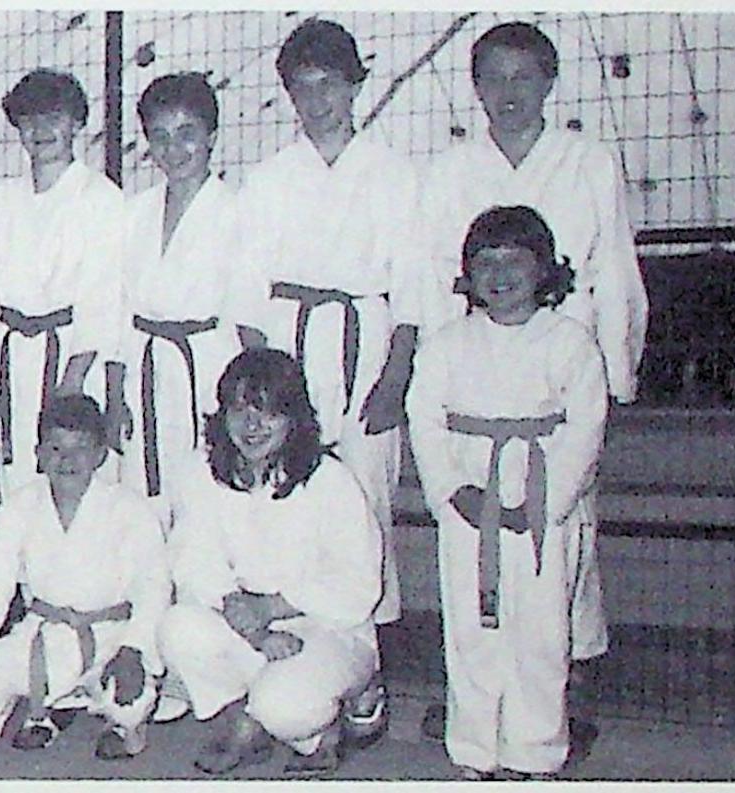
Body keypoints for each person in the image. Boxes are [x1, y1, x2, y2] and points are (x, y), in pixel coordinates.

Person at [418, 21, 648, 743]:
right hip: (478, 369)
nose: (508, 91)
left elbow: (613, 270)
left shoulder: (587, 161)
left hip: (561, 371)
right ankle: (480, 701)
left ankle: (558, 693)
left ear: (550, 81)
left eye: (523, 75)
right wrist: (438, 369)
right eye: (493, 77)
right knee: (475, 546)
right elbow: (433, 277)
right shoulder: (451, 169)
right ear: (475, 87)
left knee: (564, 536)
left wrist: (616, 376)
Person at [234, 17, 426, 738]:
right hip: (289, 346)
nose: (316, 101)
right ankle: (292, 666)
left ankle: (365, 673)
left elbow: (413, 284)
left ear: (355, 85)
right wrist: (264, 387)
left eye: (329, 85)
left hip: (363, 346)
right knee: (290, 502)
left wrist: (394, 377)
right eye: (302, 88)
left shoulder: (395, 173)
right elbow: (247, 292)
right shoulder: (269, 178)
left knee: (364, 505)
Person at [406, 206, 608, 780]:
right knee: (471, 630)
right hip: (470, 509)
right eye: (485, 263)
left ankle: (535, 746)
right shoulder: (446, 344)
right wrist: (452, 491)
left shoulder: (569, 342)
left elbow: (586, 426)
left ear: (544, 269)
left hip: (543, 508)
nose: (500, 275)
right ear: (467, 275)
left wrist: (548, 500)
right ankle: (475, 744)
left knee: (540, 632)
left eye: (515, 261)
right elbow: (425, 419)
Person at [158, 348, 383, 777]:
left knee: (286, 707)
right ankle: (256, 724)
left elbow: (358, 585)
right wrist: (251, 624)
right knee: (178, 627)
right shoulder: (200, 470)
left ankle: (335, 709)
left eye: (268, 412)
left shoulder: (331, 480)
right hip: (246, 621)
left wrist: (273, 608)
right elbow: (193, 558)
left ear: (293, 418)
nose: (252, 426)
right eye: (239, 410)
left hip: (325, 626)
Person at [0, 395, 169, 760]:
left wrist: (133, 650)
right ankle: (58, 702)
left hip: (111, 635)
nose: (67, 460)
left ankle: (117, 722)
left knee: (127, 703)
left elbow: (153, 587)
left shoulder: (130, 509)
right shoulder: (18, 508)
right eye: (56, 448)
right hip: (43, 634)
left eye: (81, 449)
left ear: (100, 455)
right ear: (39, 454)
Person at [0, 69, 127, 498]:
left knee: (80, 486)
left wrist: (71, 387)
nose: (41, 130)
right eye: (29, 120)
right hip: (12, 368)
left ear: (77, 123)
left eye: (53, 118)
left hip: (74, 362)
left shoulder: (102, 198)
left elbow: (103, 298)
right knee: (20, 486)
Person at [116, 72, 251, 515]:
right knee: (143, 501)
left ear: (211, 136)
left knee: (209, 500)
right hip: (144, 373)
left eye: (186, 134)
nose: (173, 149)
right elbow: (118, 309)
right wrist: (115, 392)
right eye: (160, 136)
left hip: (210, 370)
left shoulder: (237, 212)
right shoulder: (133, 214)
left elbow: (249, 313)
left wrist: (245, 400)